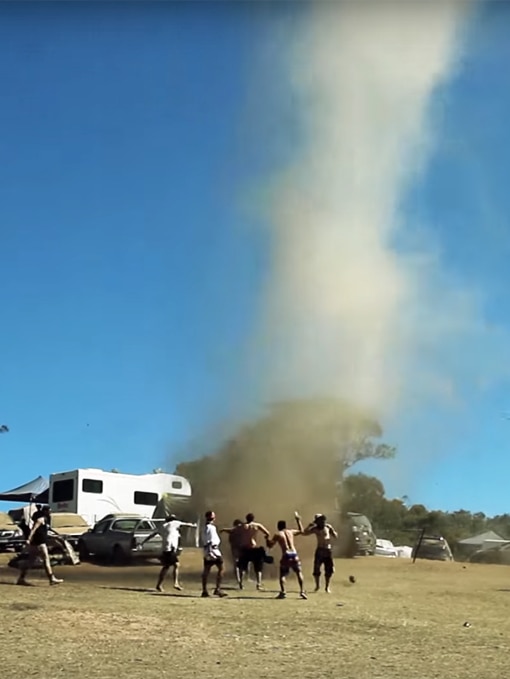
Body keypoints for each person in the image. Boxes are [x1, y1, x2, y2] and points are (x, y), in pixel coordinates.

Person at [139, 513, 197, 592]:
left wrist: (142, 543)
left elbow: (152, 535)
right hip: (170, 549)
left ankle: (159, 585)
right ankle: (175, 583)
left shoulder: (163, 526)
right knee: (175, 565)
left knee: (166, 567)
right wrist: (193, 525)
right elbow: (186, 524)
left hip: (166, 549)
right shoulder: (174, 523)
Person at [17, 506, 63, 586]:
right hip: (39, 543)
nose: (50, 512)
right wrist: (29, 539)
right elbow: (33, 530)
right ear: (45, 511)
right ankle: (51, 579)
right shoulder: (40, 519)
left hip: (38, 543)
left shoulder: (45, 520)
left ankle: (21, 578)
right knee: (46, 560)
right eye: (49, 510)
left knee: (31, 561)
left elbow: (44, 532)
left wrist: (55, 536)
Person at [266, 516, 307, 600]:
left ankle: (283, 592)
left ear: (278, 526)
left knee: (282, 574)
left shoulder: (278, 534)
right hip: (294, 554)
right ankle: (302, 591)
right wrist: (298, 520)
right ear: (285, 526)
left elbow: (270, 545)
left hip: (286, 555)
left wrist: (267, 539)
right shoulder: (290, 531)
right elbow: (302, 531)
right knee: (299, 572)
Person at [299, 513, 338, 593]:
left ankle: (327, 587)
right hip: (320, 550)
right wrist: (309, 526)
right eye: (320, 520)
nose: (322, 521)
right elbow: (304, 533)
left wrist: (334, 534)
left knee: (329, 570)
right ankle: (317, 586)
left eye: (323, 520)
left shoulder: (328, 527)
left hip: (328, 550)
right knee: (316, 569)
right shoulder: (315, 529)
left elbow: (335, 535)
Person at [237, 513, 271, 590]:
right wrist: (267, 539)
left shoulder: (242, 526)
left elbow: (233, 531)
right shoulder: (257, 525)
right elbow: (267, 533)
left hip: (245, 548)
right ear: (253, 518)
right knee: (258, 567)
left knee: (242, 567)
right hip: (254, 547)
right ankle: (258, 584)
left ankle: (241, 584)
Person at [201, 511, 227, 598]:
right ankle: (217, 589)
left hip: (210, 551)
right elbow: (209, 541)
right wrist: (210, 552)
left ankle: (205, 590)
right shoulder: (210, 528)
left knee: (207, 571)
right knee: (221, 568)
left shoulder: (207, 527)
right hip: (213, 551)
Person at [219, 519, 243, 588]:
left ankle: (239, 580)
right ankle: (239, 580)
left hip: (238, 549)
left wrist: (223, 530)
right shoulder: (238, 530)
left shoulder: (236, 530)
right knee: (239, 565)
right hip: (237, 549)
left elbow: (230, 530)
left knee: (238, 565)